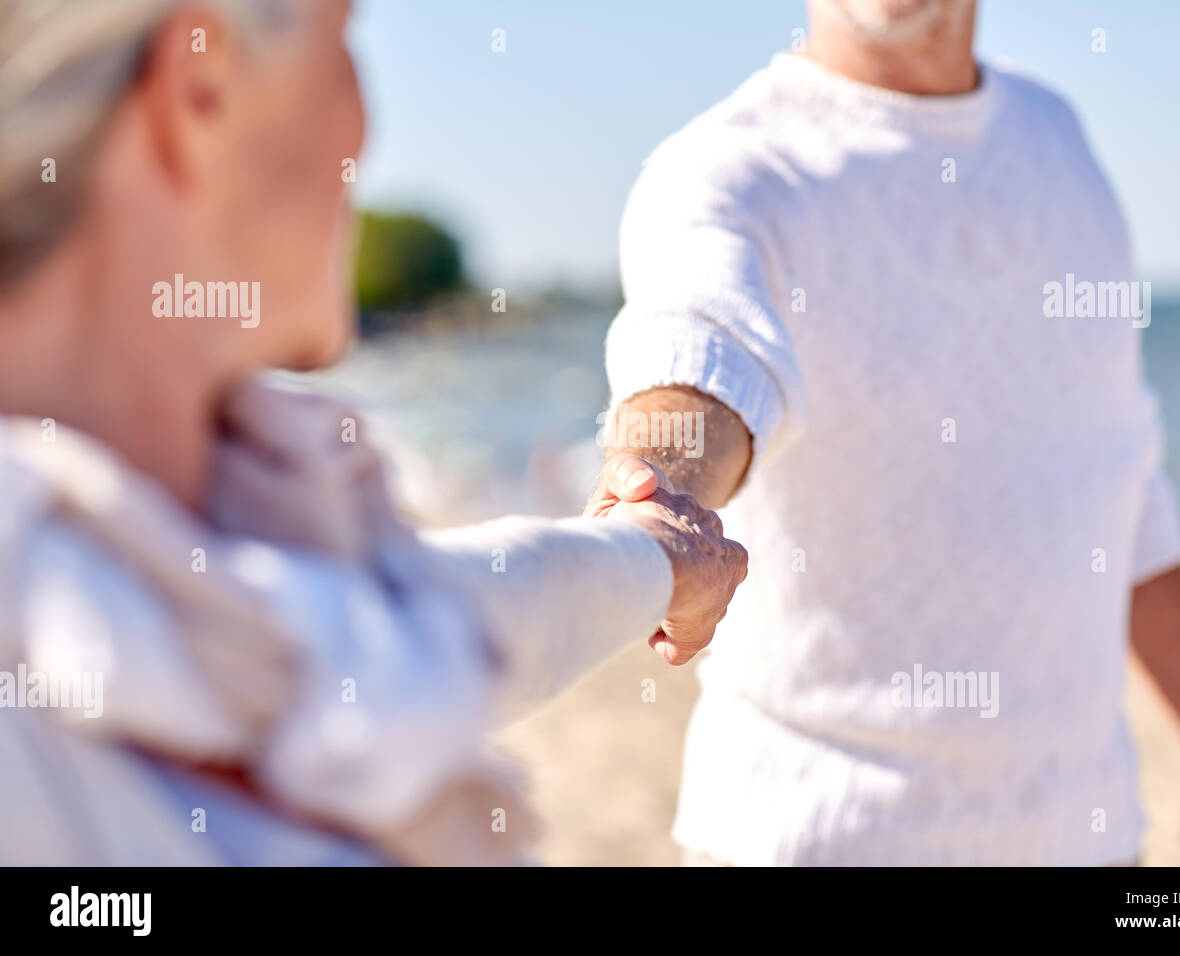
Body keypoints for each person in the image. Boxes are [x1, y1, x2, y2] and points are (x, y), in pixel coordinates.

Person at [0, 0, 746, 865]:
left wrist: (654, 553)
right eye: (344, 37)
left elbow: (443, 612)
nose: (370, 122)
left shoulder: (237, 544)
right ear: (199, 91)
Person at [601, 0, 1180, 865]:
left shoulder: (1059, 143)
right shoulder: (723, 169)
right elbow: (702, 354)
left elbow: (1125, 482)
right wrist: (662, 491)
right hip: (810, 838)